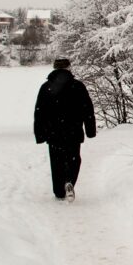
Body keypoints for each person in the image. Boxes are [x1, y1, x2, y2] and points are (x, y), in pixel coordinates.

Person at [33, 57, 96, 201]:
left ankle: (59, 192)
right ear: (69, 68)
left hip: (53, 133)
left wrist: (40, 134)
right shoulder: (78, 86)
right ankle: (70, 181)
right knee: (73, 159)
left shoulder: (46, 87)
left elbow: (39, 112)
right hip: (73, 131)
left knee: (57, 162)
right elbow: (88, 109)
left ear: (54, 68)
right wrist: (90, 130)